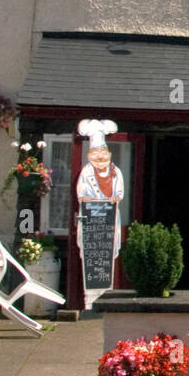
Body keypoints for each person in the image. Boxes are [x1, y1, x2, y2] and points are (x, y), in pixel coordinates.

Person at [76, 119, 123, 308]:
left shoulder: (115, 172)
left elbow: (119, 191)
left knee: (107, 254)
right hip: (90, 221)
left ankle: (105, 296)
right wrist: (85, 199)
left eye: (103, 153)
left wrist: (115, 198)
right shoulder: (86, 172)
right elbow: (81, 192)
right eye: (96, 153)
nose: (100, 157)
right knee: (91, 257)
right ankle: (90, 300)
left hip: (108, 220)